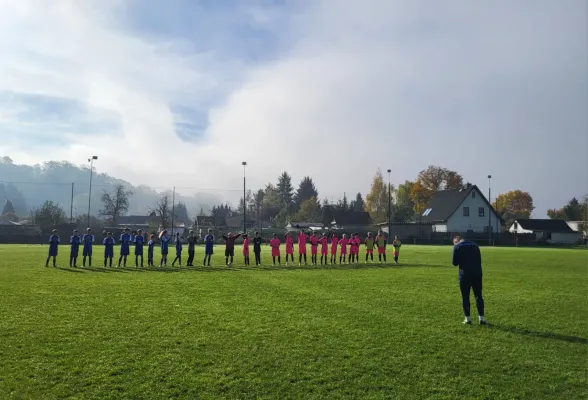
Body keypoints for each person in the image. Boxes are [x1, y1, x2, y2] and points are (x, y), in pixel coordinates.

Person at [452, 235, 486, 325]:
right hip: (477, 273)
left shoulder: (457, 246)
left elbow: (454, 263)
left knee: (465, 297)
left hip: (465, 274)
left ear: (457, 240)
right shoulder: (475, 245)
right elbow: (479, 260)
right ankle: (481, 318)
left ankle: (467, 319)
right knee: (479, 296)